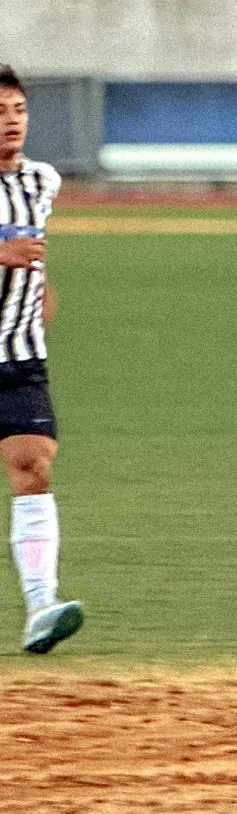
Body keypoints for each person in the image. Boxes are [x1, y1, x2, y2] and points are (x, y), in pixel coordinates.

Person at [0, 66, 83, 654]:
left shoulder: (42, 180)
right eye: (1, 110)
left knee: (34, 465)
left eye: (18, 110)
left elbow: (35, 256)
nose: (11, 120)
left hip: (20, 355)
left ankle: (41, 605)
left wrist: (39, 294)